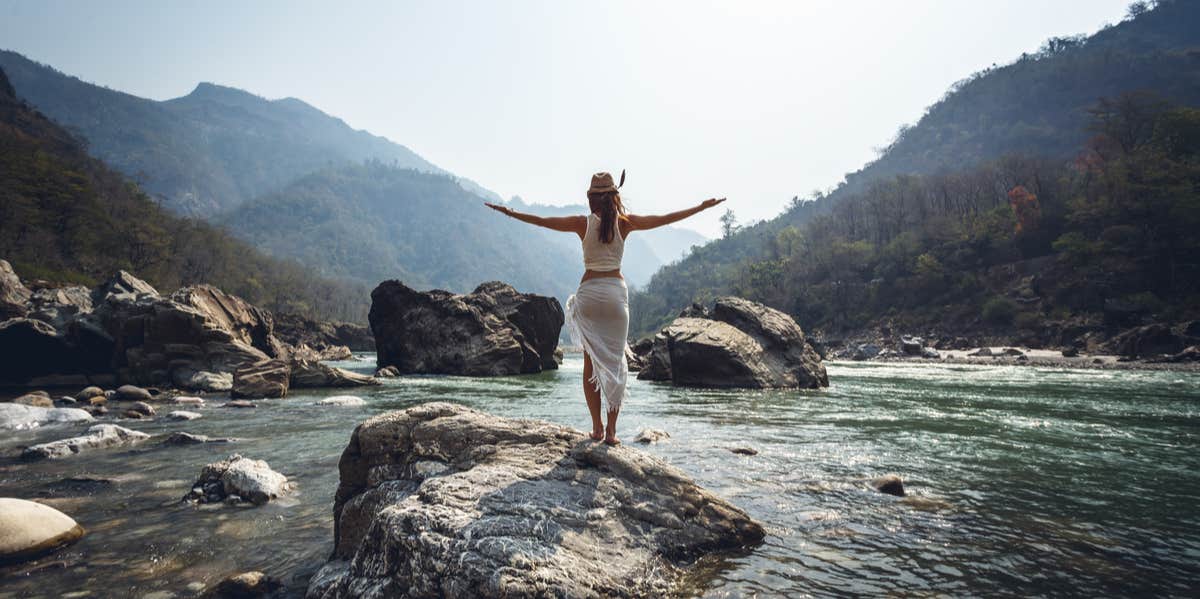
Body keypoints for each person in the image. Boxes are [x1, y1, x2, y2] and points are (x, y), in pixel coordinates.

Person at [485, 171, 725, 445]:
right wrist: (701, 207)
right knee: (616, 363)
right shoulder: (625, 223)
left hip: (588, 295)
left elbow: (541, 221)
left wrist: (509, 212)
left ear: (591, 198)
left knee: (590, 364)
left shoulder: (581, 223)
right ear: (614, 196)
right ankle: (611, 431)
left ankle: (596, 428)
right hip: (615, 296)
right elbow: (665, 218)